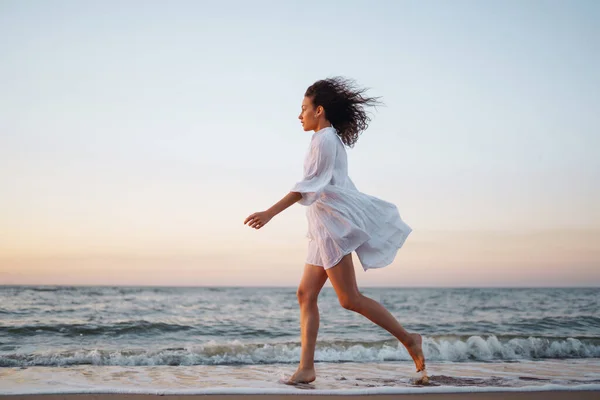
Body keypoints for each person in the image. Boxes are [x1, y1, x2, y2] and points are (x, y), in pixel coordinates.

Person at [243, 77, 426, 384]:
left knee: (349, 298)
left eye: (304, 109)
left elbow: (308, 186)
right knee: (306, 294)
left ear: (320, 110)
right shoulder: (324, 139)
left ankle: (410, 340)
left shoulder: (325, 140)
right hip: (322, 227)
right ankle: (307, 368)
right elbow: (327, 184)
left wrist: (269, 213)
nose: (299, 115)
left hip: (331, 228)